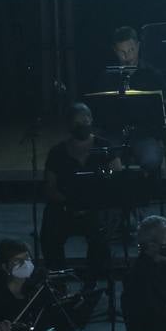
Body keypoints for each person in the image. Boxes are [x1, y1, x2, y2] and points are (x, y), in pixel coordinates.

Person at [40, 103, 123, 284]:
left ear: (91, 120)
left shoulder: (105, 147)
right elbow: (50, 188)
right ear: (69, 126)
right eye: (77, 123)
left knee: (100, 236)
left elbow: (118, 180)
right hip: (66, 207)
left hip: (97, 209)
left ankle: (93, 282)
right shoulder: (57, 153)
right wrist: (71, 202)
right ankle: (58, 280)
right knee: (49, 233)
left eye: (85, 121)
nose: (82, 126)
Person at [96, 25, 165, 92]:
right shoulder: (106, 79)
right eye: (122, 52)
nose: (127, 56)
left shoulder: (153, 76)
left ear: (138, 46)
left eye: (131, 50)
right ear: (115, 51)